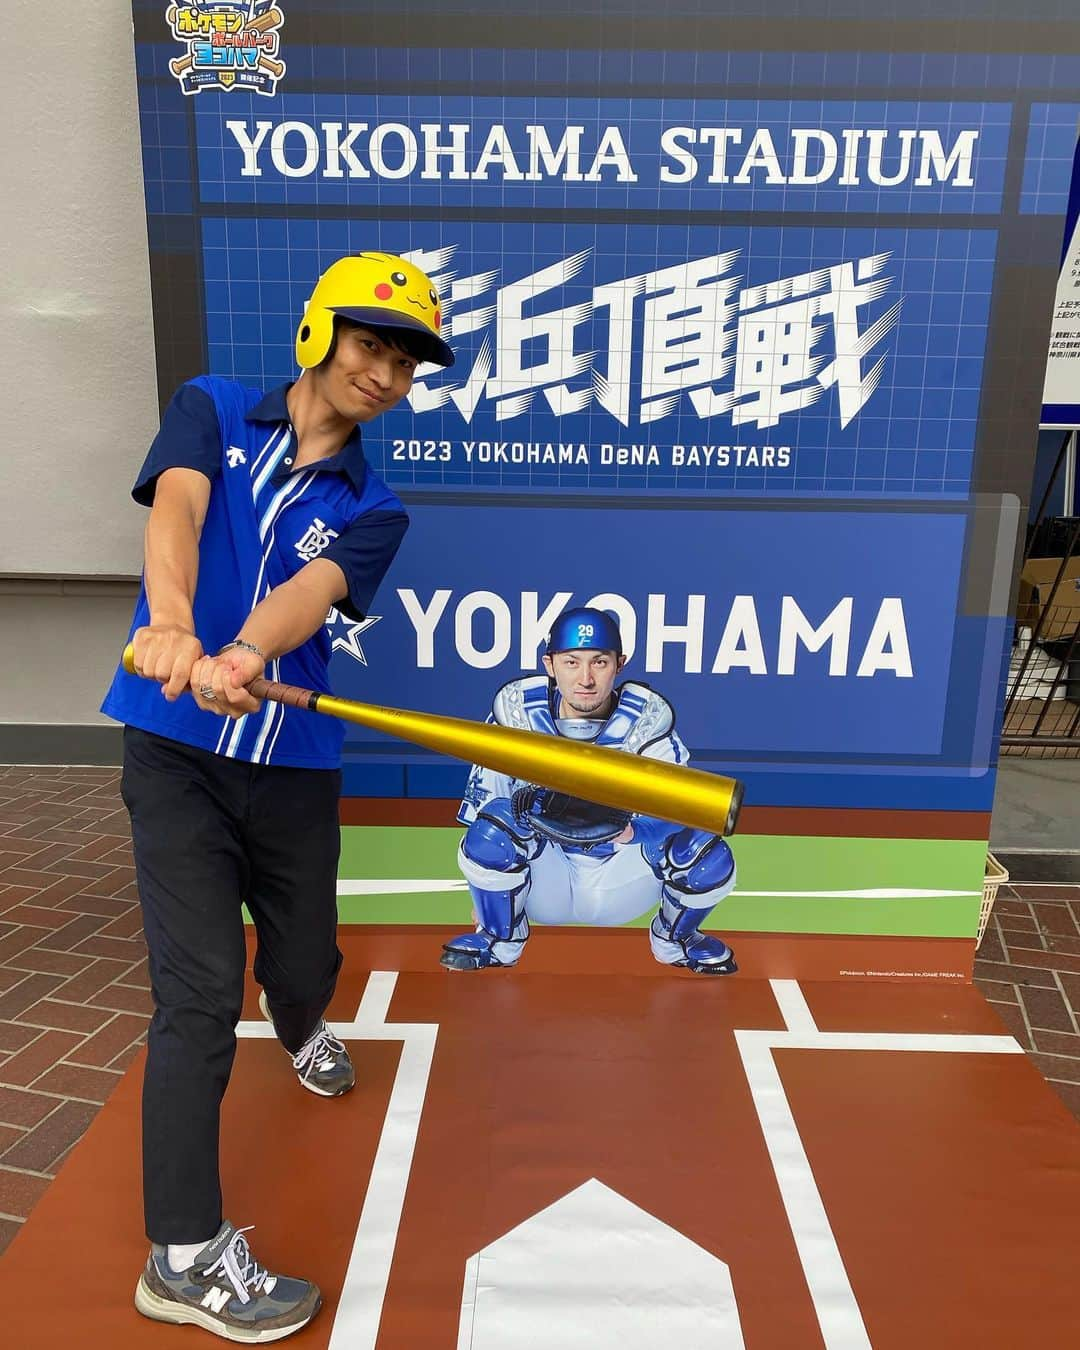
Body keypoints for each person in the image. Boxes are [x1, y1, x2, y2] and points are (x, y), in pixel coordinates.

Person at [101, 252, 454, 1342]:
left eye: (403, 360)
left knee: (302, 962)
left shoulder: (376, 505)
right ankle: (185, 1253)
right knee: (199, 992)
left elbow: (312, 591)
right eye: (369, 343)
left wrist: (247, 647)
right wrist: (171, 625)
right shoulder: (210, 406)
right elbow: (181, 509)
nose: (384, 371)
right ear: (320, 334)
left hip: (291, 764)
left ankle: (298, 1022)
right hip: (175, 756)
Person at [441, 606, 738, 976]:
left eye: (599, 662)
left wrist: (636, 831)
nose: (585, 678)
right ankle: (500, 938)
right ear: (549, 664)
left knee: (706, 851)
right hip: (542, 879)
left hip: (620, 876)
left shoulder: (645, 721)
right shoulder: (517, 715)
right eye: (571, 662)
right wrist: (484, 903)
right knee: (494, 828)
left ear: (620, 664)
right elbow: (482, 812)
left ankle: (675, 939)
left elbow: (679, 810)